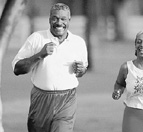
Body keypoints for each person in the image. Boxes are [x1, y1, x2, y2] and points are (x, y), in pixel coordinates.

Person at [12, 3, 88, 132]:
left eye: (63, 19)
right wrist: (40, 54)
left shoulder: (78, 42)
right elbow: (17, 69)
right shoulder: (37, 38)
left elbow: (82, 71)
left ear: (69, 20)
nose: (59, 22)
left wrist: (81, 70)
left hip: (67, 99)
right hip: (41, 99)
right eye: (55, 18)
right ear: (49, 19)